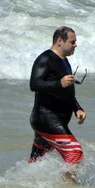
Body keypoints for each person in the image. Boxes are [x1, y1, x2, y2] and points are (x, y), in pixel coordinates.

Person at [28, 26, 86, 174]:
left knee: (36, 162)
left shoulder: (64, 61)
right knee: (75, 153)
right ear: (60, 41)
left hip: (53, 120)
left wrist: (77, 108)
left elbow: (66, 91)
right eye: (72, 42)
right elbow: (34, 84)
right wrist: (59, 83)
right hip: (46, 119)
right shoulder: (45, 59)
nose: (75, 45)